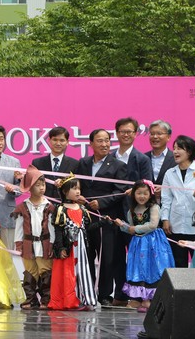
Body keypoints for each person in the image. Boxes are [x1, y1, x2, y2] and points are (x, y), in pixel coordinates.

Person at [76, 129, 128, 308]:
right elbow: (76, 185)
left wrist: (102, 203)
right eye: (100, 141)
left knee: (107, 257)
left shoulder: (118, 165)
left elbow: (120, 191)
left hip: (107, 218)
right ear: (91, 143)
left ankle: (105, 294)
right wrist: (78, 196)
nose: (104, 144)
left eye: (107, 141)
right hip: (84, 217)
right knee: (86, 255)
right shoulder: (82, 163)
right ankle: (86, 292)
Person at [113, 180, 175, 313]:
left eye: (145, 193)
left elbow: (152, 225)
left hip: (153, 243)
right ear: (133, 194)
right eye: (139, 193)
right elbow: (130, 229)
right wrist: (122, 225)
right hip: (138, 244)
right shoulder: (132, 210)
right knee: (139, 268)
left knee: (152, 268)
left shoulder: (154, 207)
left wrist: (134, 228)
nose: (142, 196)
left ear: (151, 194)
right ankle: (139, 299)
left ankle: (151, 299)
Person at [49, 175, 100, 311]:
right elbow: (58, 231)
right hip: (69, 247)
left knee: (82, 272)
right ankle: (69, 300)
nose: (78, 191)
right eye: (74, 188)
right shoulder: (60, 209)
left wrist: (102, 223)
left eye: (79, 188)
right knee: (68, 273)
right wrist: (60, 248)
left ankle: (84, 299)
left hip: (82, 249)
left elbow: (87, 228)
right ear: (65, 191)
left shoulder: (82, 209)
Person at [161, 135, 195, 268]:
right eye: (174, 148)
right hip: (176, 225)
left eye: (179, 148)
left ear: (189, 152)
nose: (175, 152)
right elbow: (166, 198)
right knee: (179, 265)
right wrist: (165, 219)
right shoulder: (169, 173)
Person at [12, 165, 55, 310]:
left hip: (44, 243)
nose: (42, 188)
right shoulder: (23, 206)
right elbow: (19, 226)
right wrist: (18, 243)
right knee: (30, 272)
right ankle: (30, 299)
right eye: (37, 185)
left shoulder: (49, 206)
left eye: (43, 184)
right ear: (29, 188)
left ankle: (46, 299)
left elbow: (52, 227)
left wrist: (52, 244)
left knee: (45, 272)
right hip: (28, 244)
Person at [31, 127, 79, 201]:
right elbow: (32, 185)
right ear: (49, 140)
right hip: (43, 206)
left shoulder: (75, 164)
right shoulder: (37, 163)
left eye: (62, 140)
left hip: (65, 206)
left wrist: (64, 182)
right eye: (55, 140)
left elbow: (77, 187)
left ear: (67, 142)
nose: (58, 143)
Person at [112, 118, 153, 183]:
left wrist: (134, 190)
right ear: (117, 133)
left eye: (129, 132)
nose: (126, 135)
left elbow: (147, 185)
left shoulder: (143, 159)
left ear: (135, 134)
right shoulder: (109, 158)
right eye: (122, 132)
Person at [145, 121, 175, 192]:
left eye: (159, 134)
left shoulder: (176, 158)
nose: (155, 137)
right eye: (152, 134)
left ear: (168, 137)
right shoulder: (143, 158)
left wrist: (166, 190)